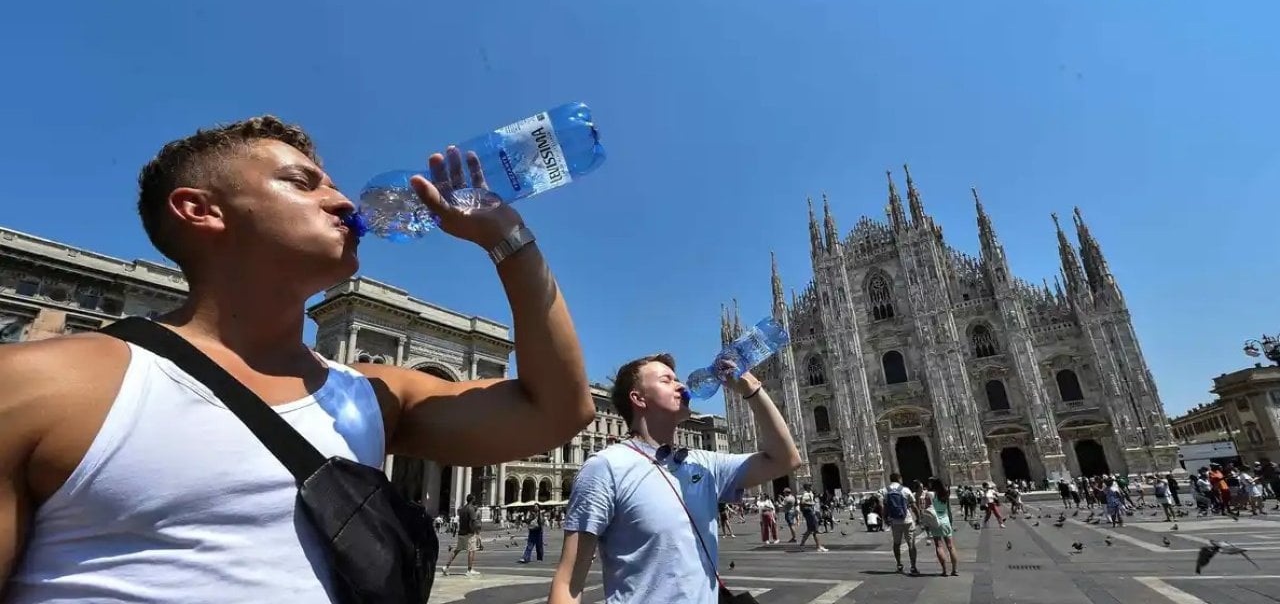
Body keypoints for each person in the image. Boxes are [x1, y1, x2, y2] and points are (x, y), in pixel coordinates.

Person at [0, 117, 595, 602]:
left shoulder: (370, 395)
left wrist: (509, 240)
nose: (340, 199)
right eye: (303, 182)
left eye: (332, 184)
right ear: (200, 210)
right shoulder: (45, 385)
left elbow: (559, 411)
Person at [548, 353, 801, 603]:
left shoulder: (704, 463)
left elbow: (785, 459)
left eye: (677, 379)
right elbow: (569, 582)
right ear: (638, 398)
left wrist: (752, 389)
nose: (680, 385)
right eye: (666, 380)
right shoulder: (606, 467)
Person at [884, 473, 920, 575]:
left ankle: (899, 564)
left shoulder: (886, 491)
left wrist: (885, 519)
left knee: (896, 544)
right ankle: (913, 566)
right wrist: (918, 517)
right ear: (899, 479)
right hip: (907, 520)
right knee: (911, 544)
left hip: (894, 521)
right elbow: (913, 506)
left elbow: (885, 507)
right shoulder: (905, 490)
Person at [923, 478, 958, 577]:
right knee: (951, 546)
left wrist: (926, 523)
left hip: (935, 521)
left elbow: (928, 509)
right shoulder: (945, 493)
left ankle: (945, 570)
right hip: (945, 519)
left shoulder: (929, 494)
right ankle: (955, 570)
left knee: (939, 545)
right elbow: (949, 510)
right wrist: (950, 522)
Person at [442, 494, 482, 577]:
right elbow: (473, 521)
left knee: (457, 550)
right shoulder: (471, 509)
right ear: (472, 500)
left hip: (461, 532)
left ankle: (446, 566)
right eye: (474, 499)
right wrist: (475, 531)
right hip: (469, 533)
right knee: (471, 551)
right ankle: (469, 570)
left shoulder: (462, 509)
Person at [797, 484, 829, 552]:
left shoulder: (810, 493)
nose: (811, 487)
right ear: (807, 487)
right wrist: (811, 503)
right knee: (815, 530)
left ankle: (802, 545)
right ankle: (818, 547)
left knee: (810, 530)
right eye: (810, 486)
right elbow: (802, 502)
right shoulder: (805, 494)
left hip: (810, 512)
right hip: (809, 513)